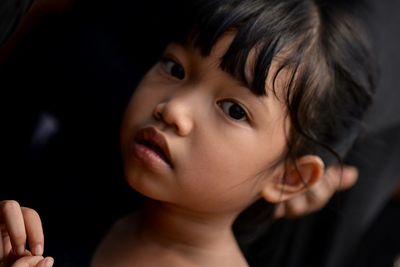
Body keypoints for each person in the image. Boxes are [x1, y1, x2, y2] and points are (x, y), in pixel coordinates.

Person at [0, 0, 374, 266]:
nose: (173, 109)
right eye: (174, 68)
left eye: (233, 110)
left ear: (289, 177)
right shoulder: (66, 195)